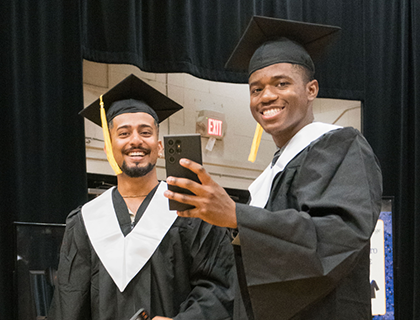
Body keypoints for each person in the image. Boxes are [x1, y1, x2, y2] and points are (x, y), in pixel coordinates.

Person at [163, 16, 383, 319]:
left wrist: (237, 216)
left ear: (311, 89)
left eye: (281, 83)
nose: (266, 96)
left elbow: (335, 239)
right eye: (256, 89)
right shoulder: (271, 173)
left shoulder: (340, 146)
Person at [48, 74, 235, 320]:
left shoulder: (192, 211)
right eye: (123, 133)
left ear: (159, 147)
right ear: (108, 148)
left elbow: (219, 288)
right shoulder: (85, 222)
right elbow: (68, 303)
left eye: (145, 132)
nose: (136, 140)